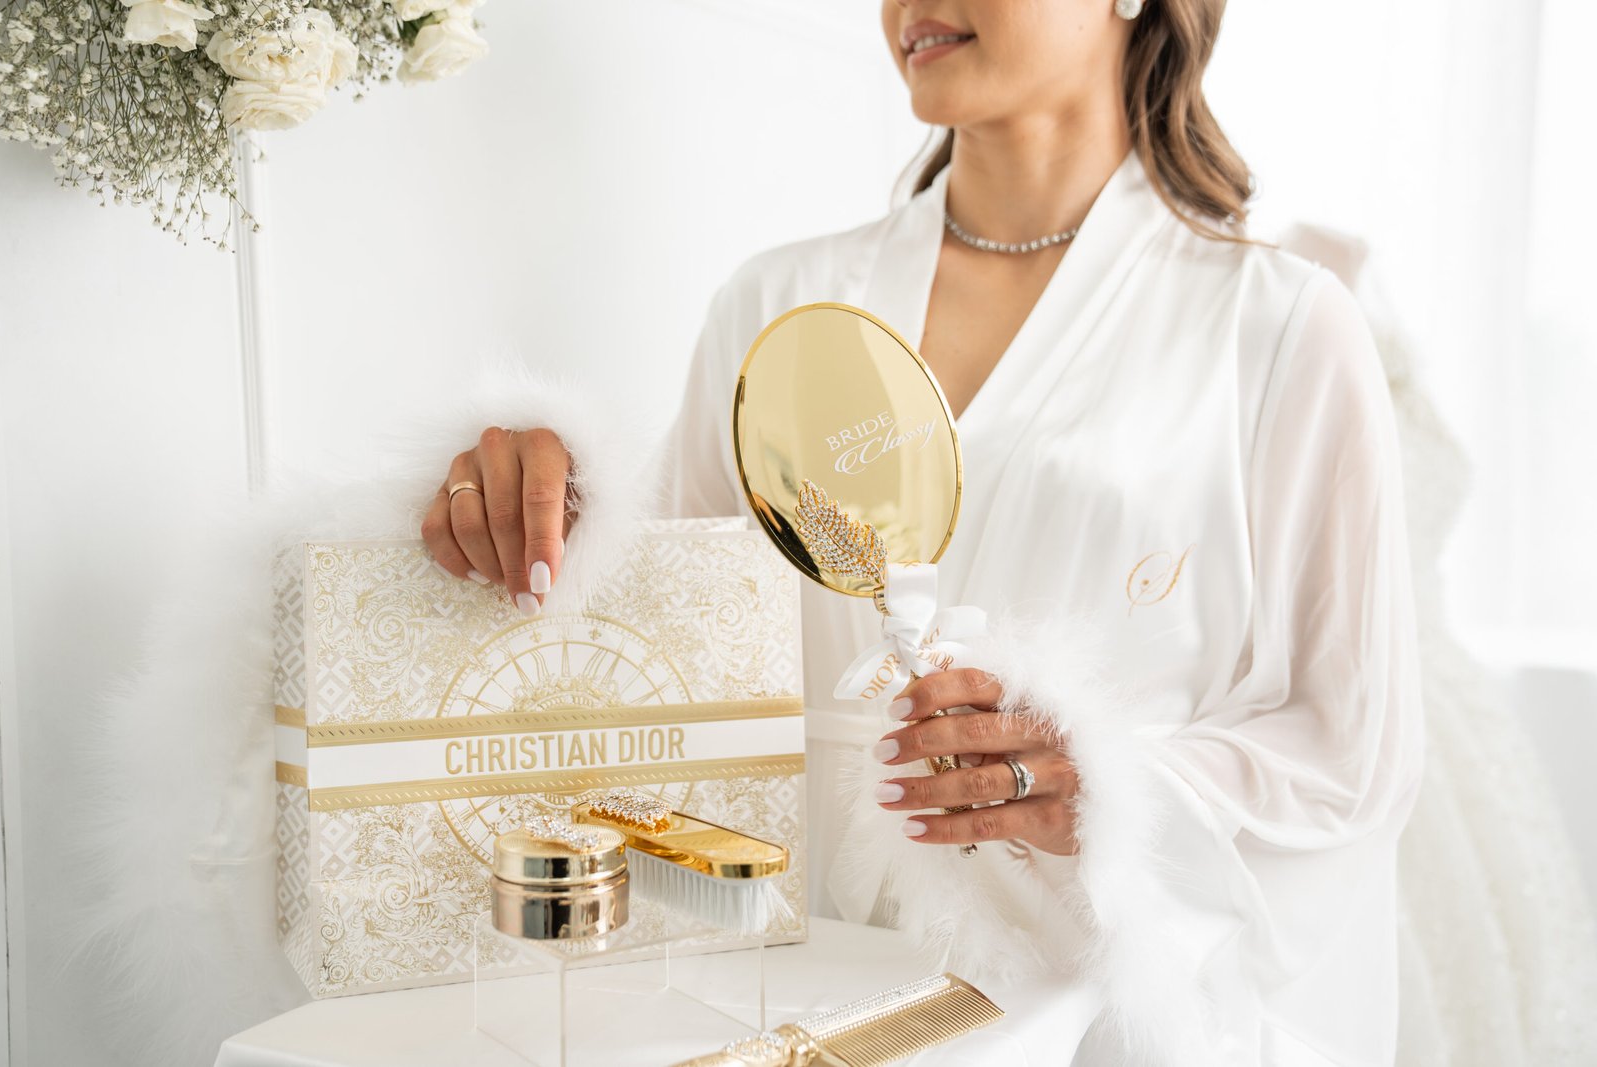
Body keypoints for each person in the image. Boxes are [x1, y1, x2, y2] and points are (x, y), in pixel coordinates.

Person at [422, 1, 1425, 1063]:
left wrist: (1110, 791)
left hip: (1093, 1017)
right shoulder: (777, 308)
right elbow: (655, 662)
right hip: (798, 999)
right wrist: (548, 513)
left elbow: (1347, 754)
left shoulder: (1275, 330)